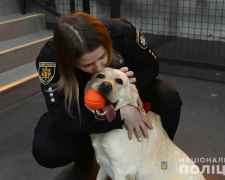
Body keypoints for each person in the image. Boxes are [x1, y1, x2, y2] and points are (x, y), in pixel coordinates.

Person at [32, 12, 182, 173]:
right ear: (69, 61)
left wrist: (128, 83)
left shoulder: (124, 33)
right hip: (83, 108)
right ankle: (86, 156)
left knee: (168, 97)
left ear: (108, 42)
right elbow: (63, 116)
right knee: (47, 149)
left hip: (124, 96)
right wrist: (121, 114)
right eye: (87, 65)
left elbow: (151, 66)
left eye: (102, 57)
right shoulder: (49, 59)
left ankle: (156, 154)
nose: (98, 67)